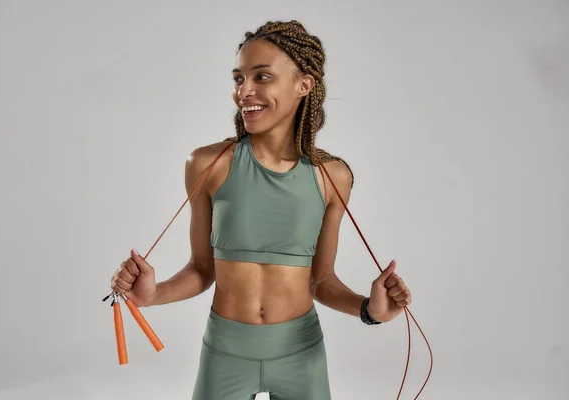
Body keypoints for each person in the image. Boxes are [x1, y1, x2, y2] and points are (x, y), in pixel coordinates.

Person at [110, 20, 412, 400]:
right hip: (225, 351)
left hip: (300, 353)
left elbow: (321, 281)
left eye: (262, 77)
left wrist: (372, 310)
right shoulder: (208, 164)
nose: (244, 92)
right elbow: (202, 270)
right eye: (239, 78)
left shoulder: (332, 177)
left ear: (304, 85)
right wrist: (150, 296)